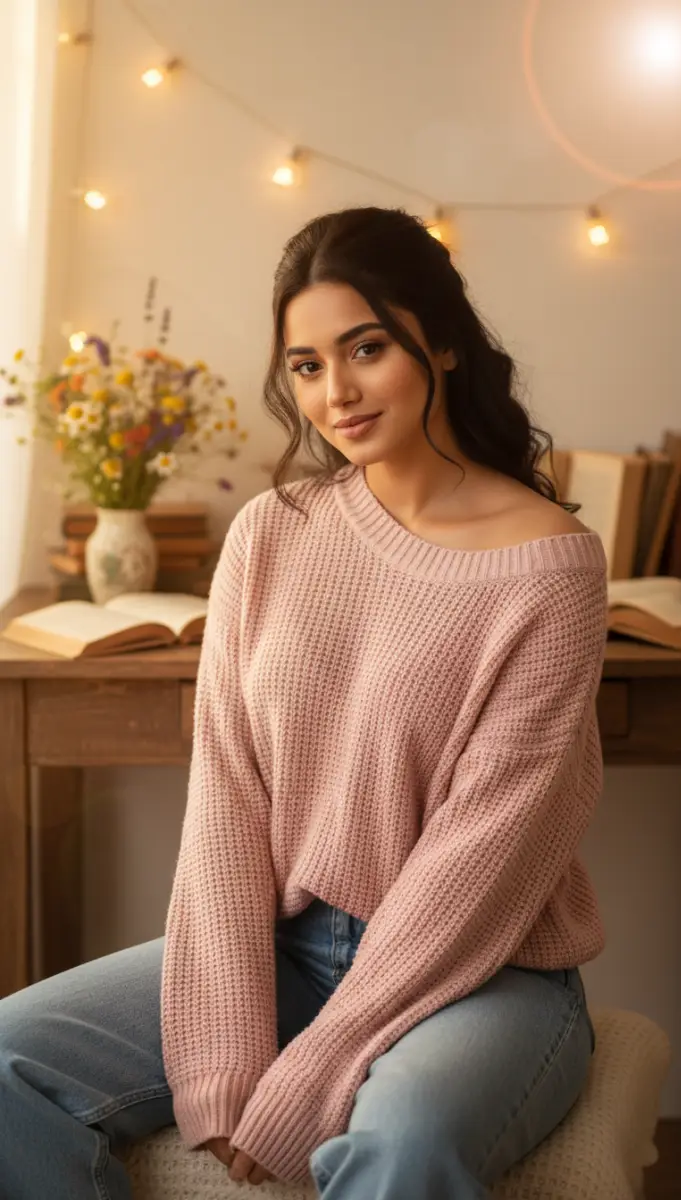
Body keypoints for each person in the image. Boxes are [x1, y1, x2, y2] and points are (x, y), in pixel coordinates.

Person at [0, 206, 607, 1200]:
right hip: (289, 948)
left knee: (403, 1140)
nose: (336, 393)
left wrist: (315, 1071)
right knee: (5, 1063)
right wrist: (225, 1046)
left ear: (443, 343)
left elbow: (483, 857)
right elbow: (228, 796)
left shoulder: (550, 567)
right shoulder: (271, 534)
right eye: (307, 365)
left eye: (366, 349)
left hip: (485, 972)